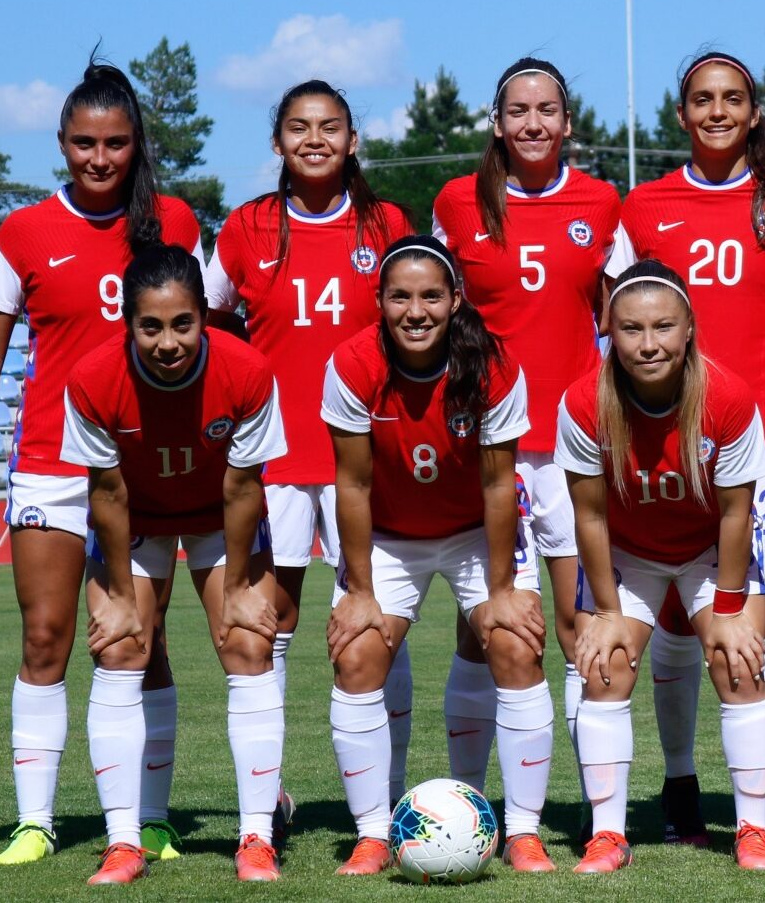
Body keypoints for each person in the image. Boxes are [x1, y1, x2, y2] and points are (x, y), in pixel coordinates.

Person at [0, 62, 203, 867]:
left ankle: (151, 819)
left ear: (137, 145)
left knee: (146, 638)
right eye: (85, 143)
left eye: (116, 143)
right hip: (51, 464)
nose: (100, 158)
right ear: (62, 142)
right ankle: (37, 821)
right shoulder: (22, 231)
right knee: (45, 634)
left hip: (145, 467)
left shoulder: (171, 220)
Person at [605, 51, 765, 847]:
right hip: (666, 437)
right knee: (675, 609)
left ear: (752, 111)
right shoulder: (645, 204)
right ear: (682, 114)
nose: (716, 112)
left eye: (731, 99)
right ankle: (679, 781)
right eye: (702, 100)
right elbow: (611, 310)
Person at [204, 79, 414, 814]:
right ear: (277, 142)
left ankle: (385, 805)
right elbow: (208, 319)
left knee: (380, 622)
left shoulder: (387, 224)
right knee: (272, 622)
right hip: (279, 460)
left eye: (330, 126)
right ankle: (269, 801)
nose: (315, 139)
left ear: (354, 140)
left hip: (367, 459)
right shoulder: (245, 227)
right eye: (299, 126)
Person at [321, 236, 557, 875]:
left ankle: (523, 832)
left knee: (513, 642)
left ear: (456, 300)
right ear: (380, 302)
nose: (416, 310)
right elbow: (353, 484)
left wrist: (504, 590)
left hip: (475, 533)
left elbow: (497, 485)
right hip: (390, 538)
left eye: (431, 295)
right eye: (400, 296)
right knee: (358, 653)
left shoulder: (494, 367)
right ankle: (372, 833)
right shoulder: (351, 364)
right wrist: (362, 592)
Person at [61, 246, 286, 885]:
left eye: (182, 324)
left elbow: (244, 489)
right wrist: (127, 599)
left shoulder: (246, 370)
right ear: (127, 323)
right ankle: (124, 842)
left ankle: (256, 838)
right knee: (121, 646)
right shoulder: (93, 379)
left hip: (220, 516)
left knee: (247, 642)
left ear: (204, 319)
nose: (167, 342)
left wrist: (240, 587)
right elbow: (107, 495)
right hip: (136, 521)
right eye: (150, 326)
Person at [433, 57, 621, 798]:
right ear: (497, 122)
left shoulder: (604, 202)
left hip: (574, 448)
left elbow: (622, 313)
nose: (534, 123)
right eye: (518, 110)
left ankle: (595, 810)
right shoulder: (457, 202)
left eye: (547, 110)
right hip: (487, 449)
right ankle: (464, 802)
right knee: (481, 628)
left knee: (581, 627)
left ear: (567, 122)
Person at [558, 261, 765, 873]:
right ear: (609, 331)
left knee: (740, 662)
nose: (647, 344)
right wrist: (605, 612)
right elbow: (591, 519)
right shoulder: (582, 404)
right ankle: (607, 835)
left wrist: (729, 609)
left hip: (709, 550)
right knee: (603, 667)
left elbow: (737, 514)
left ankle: (753, 829)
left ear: (689, 330)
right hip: (629, 554)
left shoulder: (727, 397)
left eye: (662, 327)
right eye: (630, 329)